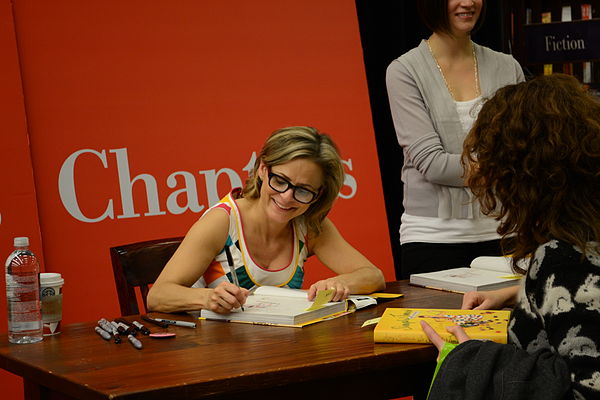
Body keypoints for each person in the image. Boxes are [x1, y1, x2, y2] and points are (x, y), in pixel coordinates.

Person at [421, 74, 600, 399]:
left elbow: (587, 390)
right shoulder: (585, 238)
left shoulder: (563, 257)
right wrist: (521, 291)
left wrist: (472, 359)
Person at [147, 126, 385, 314]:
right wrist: (208, 298)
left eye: (303, 190)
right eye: (280, 180)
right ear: (262, 169)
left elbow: (373, 276)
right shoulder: (223, 221)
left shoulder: (309, 225)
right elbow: (158, 296)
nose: (286, 197)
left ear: (319, 194)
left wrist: (337, 284)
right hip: (219, 351)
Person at [385, 0, 525, 278]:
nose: (468, 2)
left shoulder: (508, 67)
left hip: (507, 233)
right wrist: (504, 166)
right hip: (433, 238)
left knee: (510, 323)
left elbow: (525, 150)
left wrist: (515, 161)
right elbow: (433, 164)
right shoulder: (404, 71)